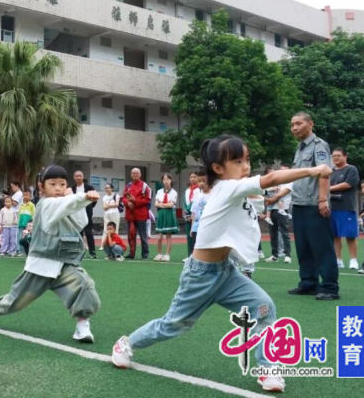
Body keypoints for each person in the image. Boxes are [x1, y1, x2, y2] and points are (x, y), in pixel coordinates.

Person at [111, 135, 333, 393]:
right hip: (200, 276)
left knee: (263, 308)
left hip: (227, 272)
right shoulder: (227, 188)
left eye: (247, 159)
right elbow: (271, 179)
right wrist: (313, 170)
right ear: (218, 168)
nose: (246, 166)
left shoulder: (237, 189)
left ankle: (267, 367)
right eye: (237, 161)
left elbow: (264, 195)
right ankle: (126, 343)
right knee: (173, 324)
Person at [0, 165, 101, 343]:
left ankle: (82, 324)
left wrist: (76, 198)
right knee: (15, 300)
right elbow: (63, 205)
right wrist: (82, 197)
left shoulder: (65, 202)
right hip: (41, 265)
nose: (58, 188)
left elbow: (80, 222)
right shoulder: (46, 204)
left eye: (62, 184)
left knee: (85, 287)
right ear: (42, 186)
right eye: (53, 184)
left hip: (65, 264)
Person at [289, 112, 339, 300]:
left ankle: (329, 287)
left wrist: (322, 200)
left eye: (298, 123)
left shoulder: (319, 145)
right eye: (292, 125)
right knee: (304, 247)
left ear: (310, 124)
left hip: (314, 204)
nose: (294, 128)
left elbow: (324, 173)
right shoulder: (299, 148)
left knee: (321, 247)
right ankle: (308, 283)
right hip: (299, 203)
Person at [328, 148, 360, 270]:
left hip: (346, 207)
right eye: (334, 156)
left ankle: (353, 260)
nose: (335, 158)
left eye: (338, 155)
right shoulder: (330, 171)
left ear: (345, 156)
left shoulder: (351, 169)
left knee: (350, 235)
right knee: (335, 235)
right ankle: (338, 260)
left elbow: (347, 184)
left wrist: (329, 189)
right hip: (331, 207)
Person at [263, 166, 293, 263]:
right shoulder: (276, 181)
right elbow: (266, 193)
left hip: (282, 210)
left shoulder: (289, 182)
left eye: (285, 170)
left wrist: (270, 199)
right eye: (281, 170)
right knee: (273, 233)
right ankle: (274, 255)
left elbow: (280, 194)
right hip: (272, 210)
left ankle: (287, 255)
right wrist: (267, 198)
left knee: (284, 232)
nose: (282, 172)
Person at [122, 168, 152, 260]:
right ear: (131, 175)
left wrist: (135, 201)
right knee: (130, 235)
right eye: (133, 173)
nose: (135, 175)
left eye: (137, 173)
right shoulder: (128, 186)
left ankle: (145, 254)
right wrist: (128, 203)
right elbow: (123, 197)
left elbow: (147, 199)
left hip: (141, 215)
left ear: (140, 175)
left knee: (143, 235)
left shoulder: (145, 186)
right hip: (130, 214)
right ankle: (131, 253)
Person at [184, 170, 210, 263]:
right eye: (199, 181)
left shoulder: (214, 195)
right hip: (197, 226)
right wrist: (192, 227)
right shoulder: (197, 196)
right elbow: (194, 212)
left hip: (208, 225)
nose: (201, 183)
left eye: (204, 181)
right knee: (197, 246)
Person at [72, 171, 97, 259]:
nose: (78, 177)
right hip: (76, 214)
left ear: (83, 177)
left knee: (89, 232)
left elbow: (94, 200)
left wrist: (89, 207)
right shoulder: (72, 189)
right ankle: (80, 251)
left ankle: (92, 252)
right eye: (76, 176)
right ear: (74, 178)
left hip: (87, 213)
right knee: (79, 233)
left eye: (80, 176)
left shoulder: (89, 188)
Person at [153, 173, 178, 262]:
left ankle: (167, 254)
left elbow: (171, 205)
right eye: (164, 179)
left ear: (171, 180)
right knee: (159, 236)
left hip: (169, 214)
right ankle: (159, 254)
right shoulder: (159, 191)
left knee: (168, 235)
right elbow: (156, 204)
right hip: (161, 214)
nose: (166, 181)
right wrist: (164, 205)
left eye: (167, 179)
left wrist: (161, 204)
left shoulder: (174, 192)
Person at [182, 172, 199, 257]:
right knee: (189, 236)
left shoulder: (199, 190)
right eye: (191, 177)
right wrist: (185, 211)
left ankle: (196, 255)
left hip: (196, 214)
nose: (192, 179)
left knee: (196, 236)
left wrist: (188, 209)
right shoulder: (187, 190)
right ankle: (190, 255)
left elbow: (195, 202)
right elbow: (185, 202)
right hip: (188, 215)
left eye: (194, 177)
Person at [101, 184, 121, 250]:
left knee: (115, 229)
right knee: (105, 229)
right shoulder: (104, 197)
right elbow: (104, 207)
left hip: (115, 213)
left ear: (111, 188)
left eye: (108, 188)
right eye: (106, 188)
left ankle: (115, 244)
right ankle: (103, 245)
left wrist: (108, 205)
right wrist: (112, 205)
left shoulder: (116, 195)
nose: (107, 189)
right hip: (107, 214)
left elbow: (117, 204)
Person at [17, 190, 36, 255]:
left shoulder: (31, 205)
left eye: (27, 195)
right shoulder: (21, 205)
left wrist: (32, 223)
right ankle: (21, 251)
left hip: (28, 226)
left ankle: (27, 250)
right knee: (21, 237)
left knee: (27, 237)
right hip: (21, 224)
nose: (25, 196)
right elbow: (19, 215)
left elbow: (34, 214)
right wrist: (18, 223)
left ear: (30, 196)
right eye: (24, 195)